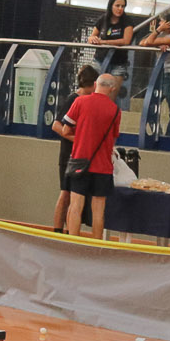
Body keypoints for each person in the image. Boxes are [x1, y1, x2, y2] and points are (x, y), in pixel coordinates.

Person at [52, 71, 123, 240]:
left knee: (75, 206)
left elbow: (65, 130)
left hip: (80, 162)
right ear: (112, 89)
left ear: (96, 84)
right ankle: (96, 245)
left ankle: (73, 243)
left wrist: (82, 137)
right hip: (103, 167)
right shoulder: (115, 111)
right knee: (98, 211)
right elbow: (113, 137)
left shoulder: (80, 101)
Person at [51, 62, 100, 232]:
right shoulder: (74, 99)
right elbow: (56, 125)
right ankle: (58, 230)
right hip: (68, 155)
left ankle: (67, 230)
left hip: (79, 155)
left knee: (72, 196)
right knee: (65, 194)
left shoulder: (87, 101)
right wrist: (77, 139)